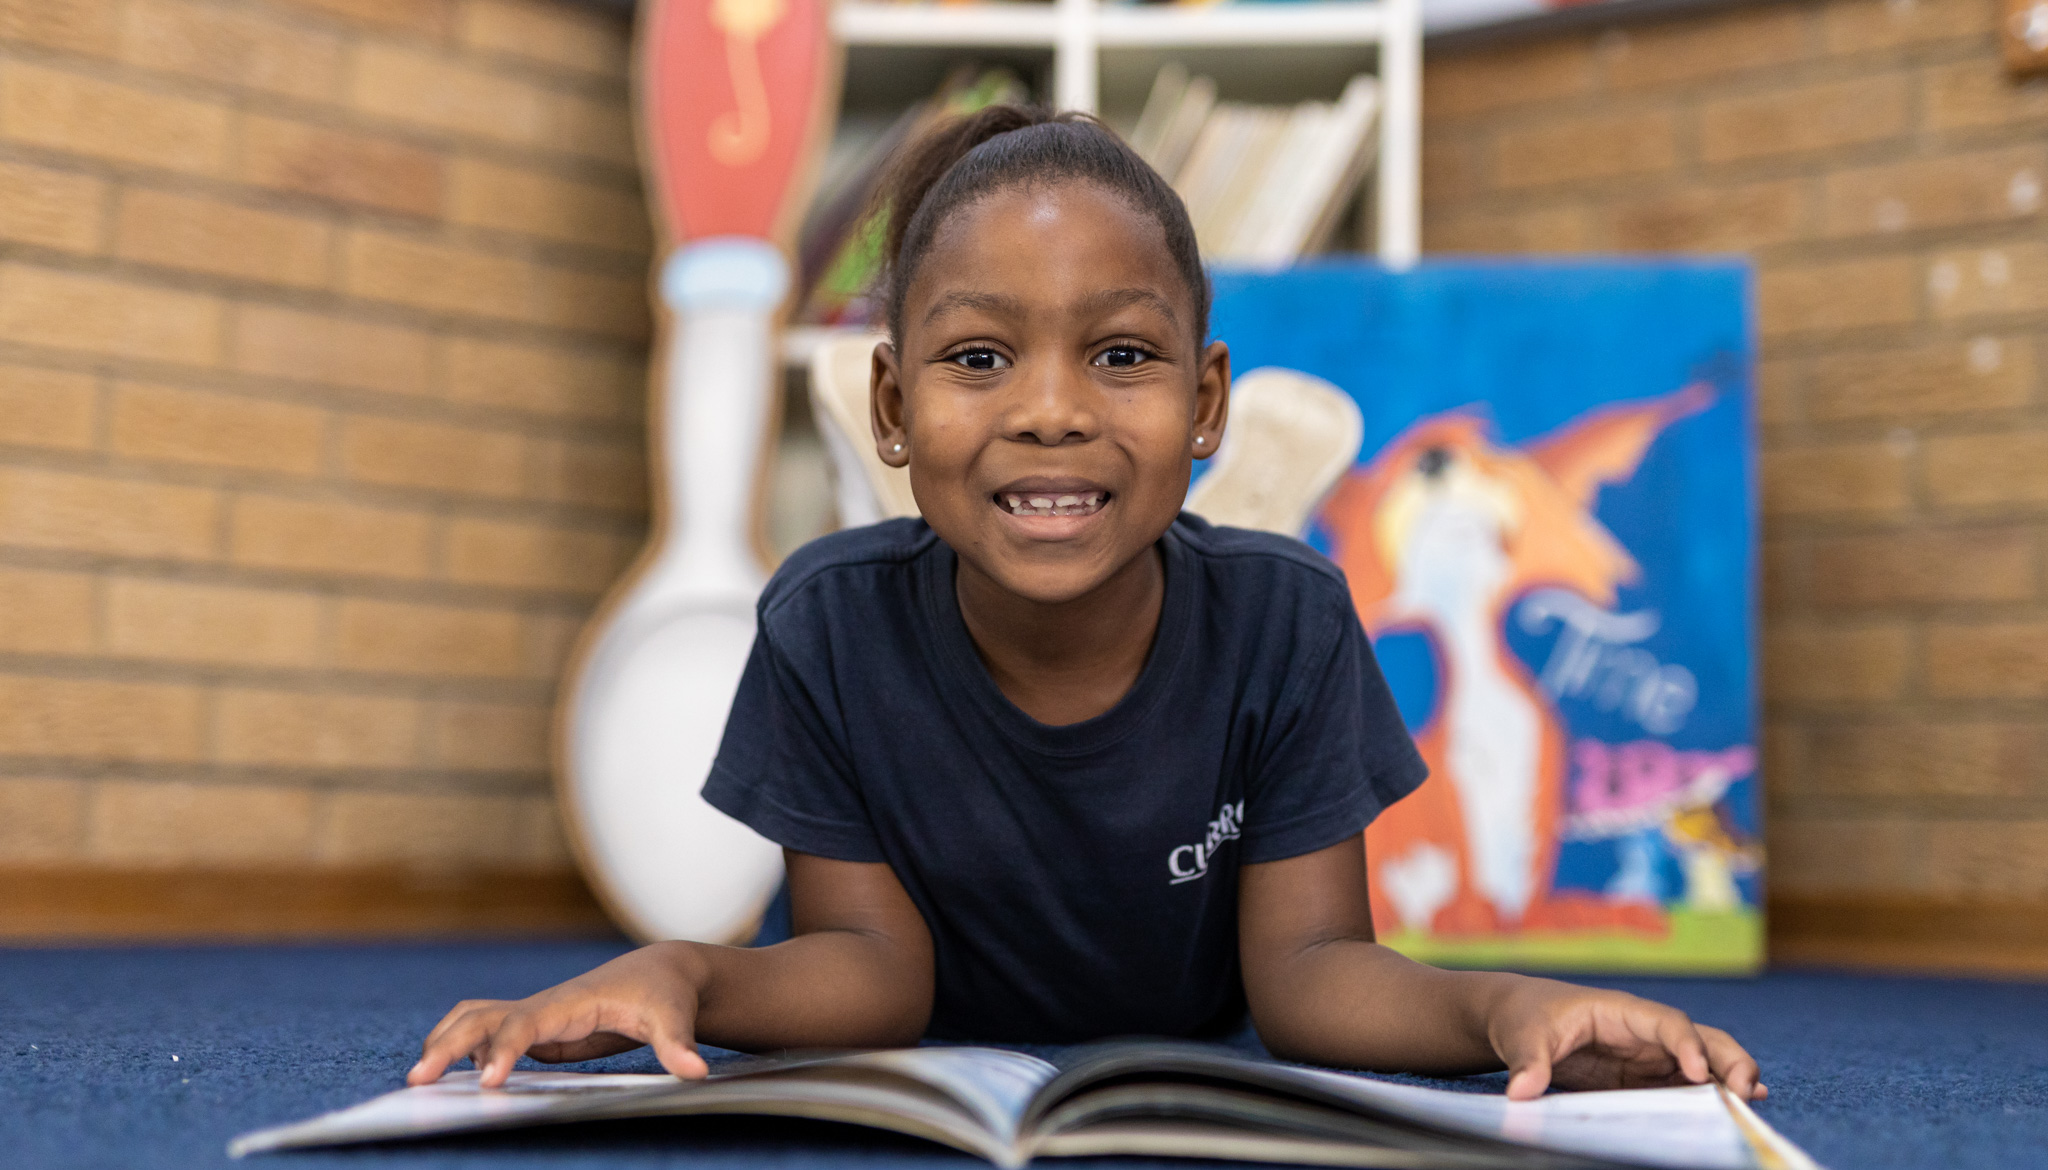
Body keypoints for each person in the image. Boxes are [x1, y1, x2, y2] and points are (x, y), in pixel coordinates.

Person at [409, 106, 1766, 1105]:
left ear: (1206, 406)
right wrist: (681, 972)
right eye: (978, 357)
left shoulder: (1287, 618)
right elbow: (872, 969)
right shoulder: (825, 622)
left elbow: (1308, 971)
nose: (1051, 410)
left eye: (1121, 356)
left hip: (1203, 1048)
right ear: (893, 407)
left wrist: (1511, 1003)